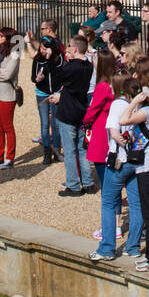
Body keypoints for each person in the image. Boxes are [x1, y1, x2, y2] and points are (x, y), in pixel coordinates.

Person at [89, 74, 144, 262]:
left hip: (119, 161)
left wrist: (120, 140)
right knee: (136, 204)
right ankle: (133, 246)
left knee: (108, 202)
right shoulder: (141, 106)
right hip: (136, 161)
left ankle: (107, 248)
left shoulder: (117, 105)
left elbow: (114, 131)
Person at [119, 82, 149, 272]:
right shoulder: (148, 110)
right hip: (145, 165)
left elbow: (123, 120)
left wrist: (132, 105)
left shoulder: (146, 111)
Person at [49, 35, 96, 197]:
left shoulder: (70, 67)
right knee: (82, 149)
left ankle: (73, 185)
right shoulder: (88, 66)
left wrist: (53, 60)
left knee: (70, 150)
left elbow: (56, 78)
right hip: (81, 109)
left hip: (68, 111)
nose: (67, 49)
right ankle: (88, 182)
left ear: (75, 49)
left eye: (69, 46)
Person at [25, 24, 64, 164]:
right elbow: (33, 77)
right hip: (41, 92)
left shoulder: (58, 59)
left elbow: (59, 75)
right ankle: (47, 152)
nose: (41, 50)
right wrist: (37, 79)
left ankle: (57, 151)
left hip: (55, 92)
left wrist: (49, 60)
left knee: (56, 122)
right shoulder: (37, 59)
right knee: (45, 124)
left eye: (44, 48)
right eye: (41, 48)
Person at [83, 50, 117, 202]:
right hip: (107, 129)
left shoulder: (102, 86)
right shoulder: (112, 83)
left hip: (101, 131)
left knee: (104, 176)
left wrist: (83, 120)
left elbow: (92, 110)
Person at [0, 26, 20, 169]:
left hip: (7, 94)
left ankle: (10, 157)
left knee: (8, 126)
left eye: (1, 35)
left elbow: (8, 75)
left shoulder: (15, 53)